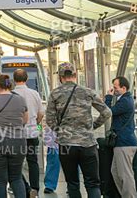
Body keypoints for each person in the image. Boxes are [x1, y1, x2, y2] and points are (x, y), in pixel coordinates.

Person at [46, 62, 111, 198]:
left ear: (60, 77)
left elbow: (50, 120)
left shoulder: (55, 94)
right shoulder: (88, 92)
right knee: (92, 183)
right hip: (88, 144)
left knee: (73, 183)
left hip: (66, 145)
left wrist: (61, 131)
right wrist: (92, 126)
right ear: (75, 75)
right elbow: (106, 112)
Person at [0, 74, 29, 198]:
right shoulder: (20, 100)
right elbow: (25, 120)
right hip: (18, 142)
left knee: (0, 179)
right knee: (16, 177)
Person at [13, 69, 44, 197]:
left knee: (14, 164)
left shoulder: (11, 94)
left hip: (16, 135)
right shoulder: (34, 93)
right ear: (26, 79)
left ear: (14, 80)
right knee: (33, 162)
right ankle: (35, 189)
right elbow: (41, 113)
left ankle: (25, 187)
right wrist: (35, 124)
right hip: (32, 133)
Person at [105, 76, 137, 198]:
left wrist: (108, 98)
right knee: (115, 172)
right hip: (121, 143)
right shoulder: (124, 99)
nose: (114, 90)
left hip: (125, 143)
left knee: (125, 175)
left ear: (124, 88)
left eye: (115, 87)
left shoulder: (125, 101)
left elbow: (108, 111)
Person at [43, 126, 60, 194]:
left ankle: (73, 185)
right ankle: (50, 185)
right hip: (53, 138)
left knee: (72, 164)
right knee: (53, 162)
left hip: (71, 138)